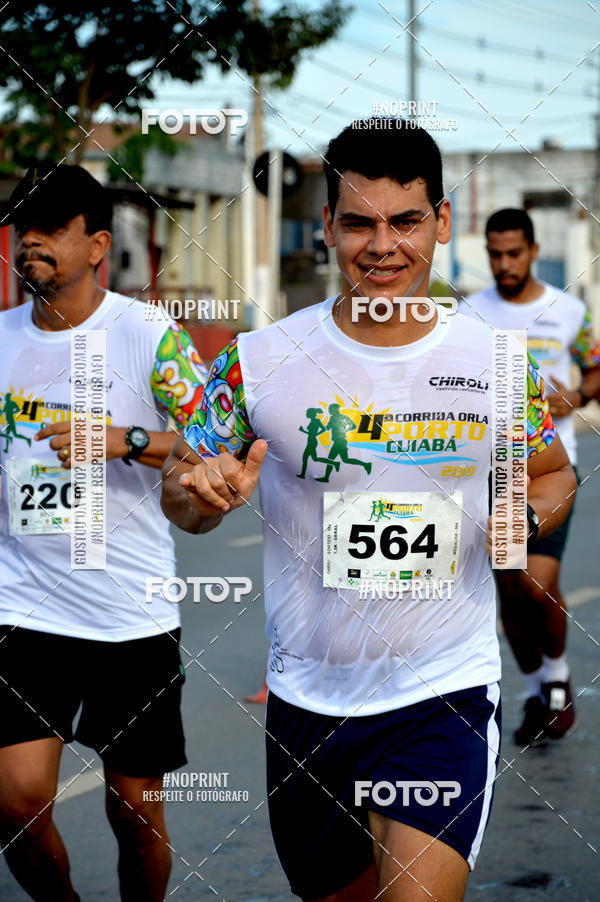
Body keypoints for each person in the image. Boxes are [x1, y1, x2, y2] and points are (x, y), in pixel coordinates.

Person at [161, 121, 576, 902]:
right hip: (306, 706)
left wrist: (523, 517)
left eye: (405, 221)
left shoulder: (493, 363)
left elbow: (553, 475)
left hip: (440, 695)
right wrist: (200, 494)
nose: (381, 246)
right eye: (358, 222)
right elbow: (181, 493)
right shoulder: (256, 361)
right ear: (328, 227)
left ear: (442, 222)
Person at [0, 163, 207, 902]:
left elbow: (212, 446)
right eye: (23, 228)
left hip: (131, 612)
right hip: (24, 606)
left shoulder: (151, 336)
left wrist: (122, 441)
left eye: (49, 228)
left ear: (95, 246)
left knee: (135, 812)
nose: (30, 242)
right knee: (15, 802)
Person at [464, 208, 600, 746]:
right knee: (509, 591)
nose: (504, 263)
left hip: (546, 468)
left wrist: (579, 395)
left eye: (513, 253)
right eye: (495, 254)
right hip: (484, 471)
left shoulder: (568, 310)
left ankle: (559, 675)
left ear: (533, 250)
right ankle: (532, 693)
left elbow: (596, 367)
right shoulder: (470, 313)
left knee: (535, 583)